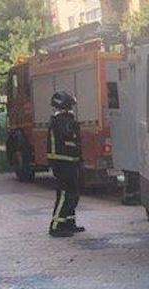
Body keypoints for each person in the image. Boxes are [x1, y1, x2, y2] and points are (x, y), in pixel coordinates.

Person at [47, 91, 85, 237]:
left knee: (72, 194)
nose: (71, 109)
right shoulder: (60, 121)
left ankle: (69, 223)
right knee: (64, 194)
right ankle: (56, 226)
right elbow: (70, 137)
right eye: (70, 105)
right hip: (63, 163)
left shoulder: (65, 119)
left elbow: (75, 142)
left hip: (70, 162)